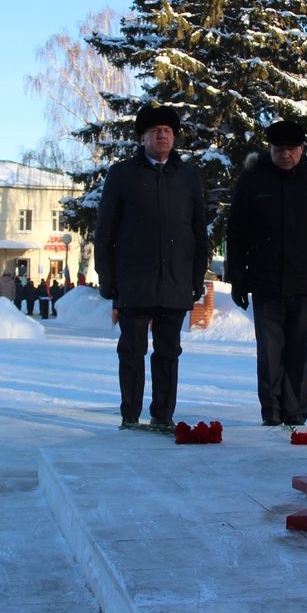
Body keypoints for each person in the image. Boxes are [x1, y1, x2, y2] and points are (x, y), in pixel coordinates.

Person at [226, 120, 307, 426]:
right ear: (270, 150)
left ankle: (296, 416)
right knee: (270, 356)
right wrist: (237, 277)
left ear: (302, 149)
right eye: (278, 150)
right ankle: (271, 414)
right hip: (266, 283)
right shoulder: (253, 180)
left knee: (301, 356)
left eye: (290, 150)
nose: (285, 155)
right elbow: (236, 231)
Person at [94, 103, 208, 428]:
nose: (162, 136)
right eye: (156, 131)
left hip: (175, 282)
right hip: (134, 281)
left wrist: (196, 276)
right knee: (132, 352)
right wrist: (108, 278)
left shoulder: (187, 177)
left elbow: (198, 231)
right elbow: (106, 231)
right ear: (142, 138)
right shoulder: (123, 175)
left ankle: (162, 416)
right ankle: (130, 416)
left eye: (168, 132)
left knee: (168, 353)